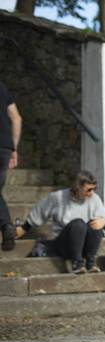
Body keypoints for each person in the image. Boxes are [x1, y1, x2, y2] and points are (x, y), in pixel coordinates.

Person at [15, 170, 105, 274]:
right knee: (79, 224)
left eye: (94, 189)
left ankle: (90, 263)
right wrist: (24, 228)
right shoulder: (58, 197)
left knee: (95, 224)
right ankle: (77, 264)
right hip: (65, 243)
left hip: (85, 245)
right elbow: (40, 211)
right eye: (89, 189)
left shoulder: (94, 198)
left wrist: (104, 220)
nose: (92, 192)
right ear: (78, 187)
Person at [1, 81, 22, 251]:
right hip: (4, 147)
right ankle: (7, 227)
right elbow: (16, 118)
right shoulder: (2, 86)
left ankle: (7, 225)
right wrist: (13, 148)